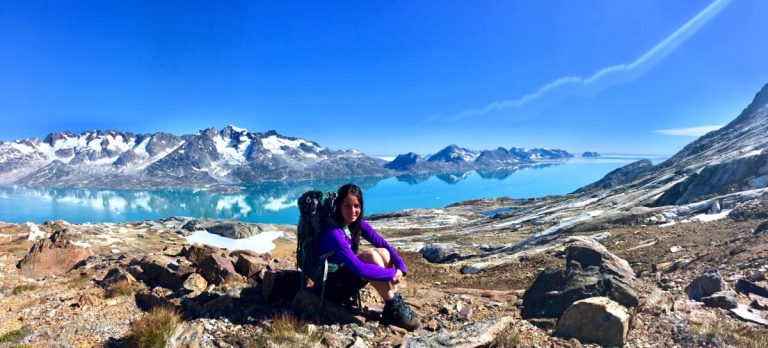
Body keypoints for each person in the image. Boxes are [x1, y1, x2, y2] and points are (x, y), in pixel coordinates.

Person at [316, 183, 421, 330]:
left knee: (382, 252)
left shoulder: (357, 224)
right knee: (370, 255)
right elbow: (359, 270)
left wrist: (401, 268)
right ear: (339, 206)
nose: (353, 211)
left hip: (343, 280)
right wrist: (392, 273)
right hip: (329, 289)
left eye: (356, 206)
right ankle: (393, 306)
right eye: (347, 206)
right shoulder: (334, 232)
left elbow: (384, 245)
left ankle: (395, 305)